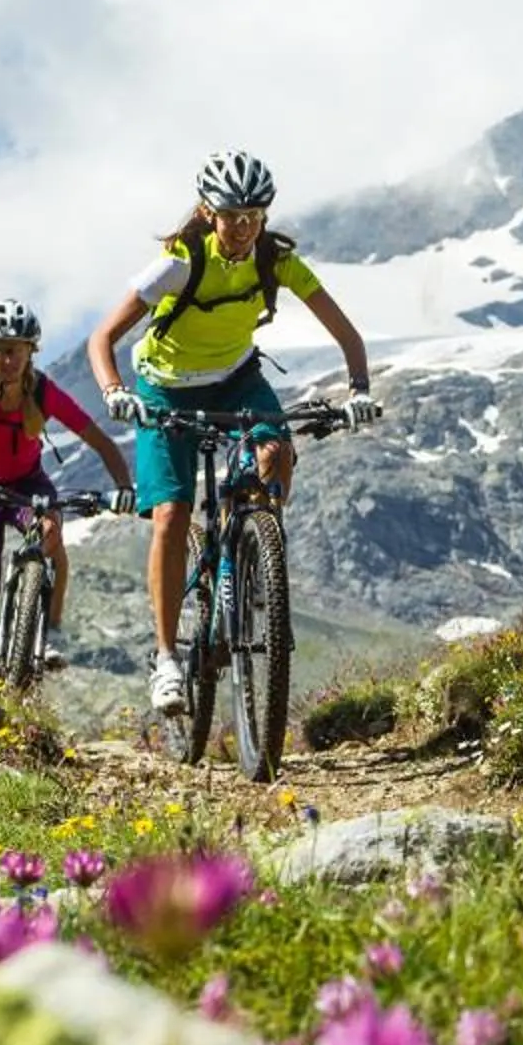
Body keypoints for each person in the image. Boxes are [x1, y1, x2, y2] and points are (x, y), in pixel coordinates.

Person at [86, 150, 379, 714]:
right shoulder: (178, 262)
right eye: (232, 215)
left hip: (236, 379)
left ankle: (252, 543)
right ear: (207, 211)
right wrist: (114, 393)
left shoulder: (277, 259)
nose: (244, 227)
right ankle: (168, 659)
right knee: (171, 515)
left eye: (254, 215)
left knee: (276, 450)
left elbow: (347, 334)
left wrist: (360, 391)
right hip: (164, 386)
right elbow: (102, 339)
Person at [0, 298, 137, 691]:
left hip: (25, 484)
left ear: (30, 352)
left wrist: (124, 489)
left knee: (51, 533)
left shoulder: (43, 392)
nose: (8, 359)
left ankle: (51, 631)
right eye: (0, 350)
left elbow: (101, 441)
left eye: (16, 350)